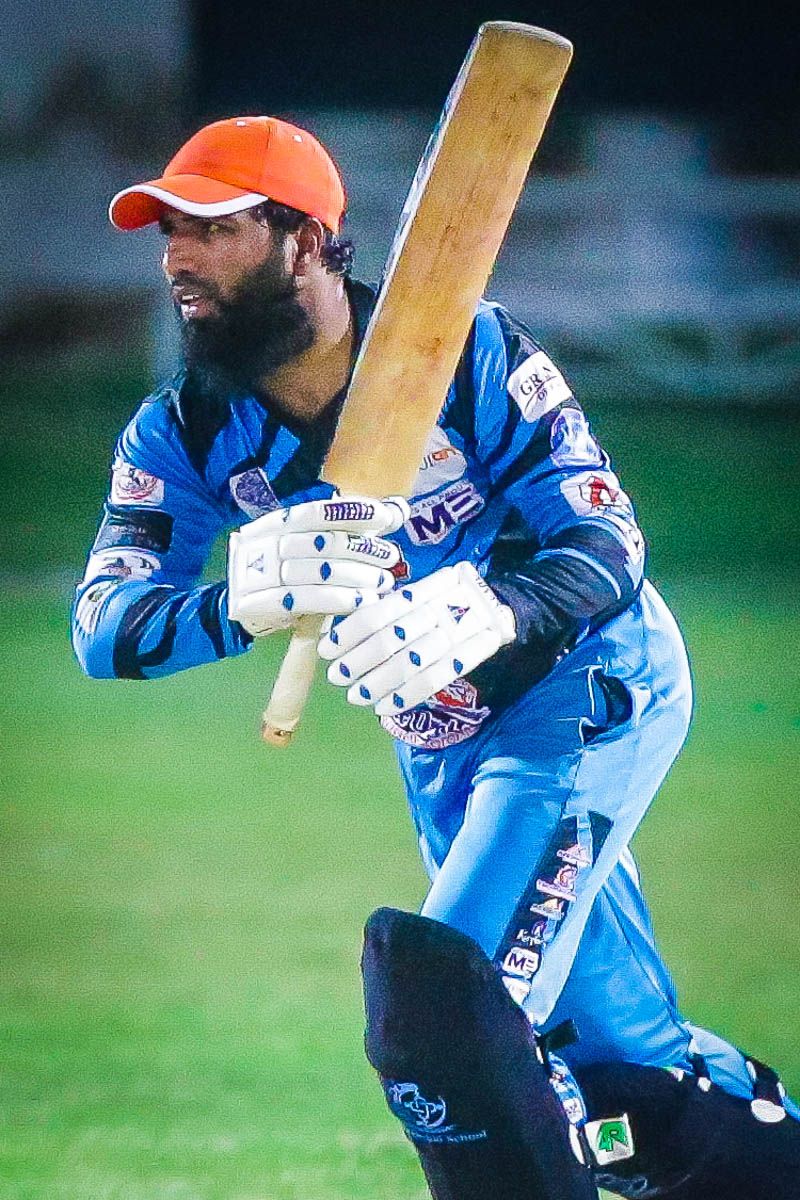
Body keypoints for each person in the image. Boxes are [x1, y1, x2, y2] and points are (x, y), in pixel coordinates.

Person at [73, 115, 799, 1199]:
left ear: (306, 241)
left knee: (444, 1017)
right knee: (627, 1084)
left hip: (583, 689)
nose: (177, 258)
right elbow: (103, 627)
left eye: (213, 229)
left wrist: (501, 607)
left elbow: (607, 537)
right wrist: (240, 604)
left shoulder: (467, 350)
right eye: (168, 232)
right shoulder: (185, 428)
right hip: (440, 744)